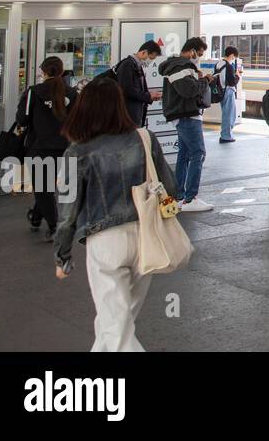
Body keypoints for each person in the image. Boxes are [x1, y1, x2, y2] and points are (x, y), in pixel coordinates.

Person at [54, 77, 178, 351]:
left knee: (116, 329)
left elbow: (66, 212)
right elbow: (171, 187)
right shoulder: (144, 138)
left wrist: (62, 255)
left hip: (106, 243)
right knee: (116, 323)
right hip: (146, 237)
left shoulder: (78, 151)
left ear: (84, 108)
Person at [18, 56, 74, 241]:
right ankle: (35, 217)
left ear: (43, 71)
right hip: (65, 146)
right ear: (61, 71)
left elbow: (22, 120)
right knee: (46, 187)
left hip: (39, 147)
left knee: (43, 188)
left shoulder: (34, 92)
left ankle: (54, 226)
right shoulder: (72, 93)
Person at [160, 37, 213, 213]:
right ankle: (191, 198)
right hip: (187, 115)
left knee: (184, 155)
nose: (198, 58)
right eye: (198, 54)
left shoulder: (176, 66)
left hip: (182, 114)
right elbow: (188, 90)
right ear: (192, 51)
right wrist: (204, 81)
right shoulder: (181, 66)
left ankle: (179, 195)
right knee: (198, 153)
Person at [115, 40, 160, 128]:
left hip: (136, 114)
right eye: (151, 58)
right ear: (144, 52)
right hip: (128, 115)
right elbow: (126, 90)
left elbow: (137, 89)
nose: (150, 61)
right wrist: (148, 96)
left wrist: (149, 95)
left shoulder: (137, 65)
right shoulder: (127, 65)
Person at [214, 45, 241, 143]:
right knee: (229, 115)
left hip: (220, 91)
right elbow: (232, 82)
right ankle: (226, 136)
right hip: (228, 91)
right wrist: (238, 76)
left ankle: (225, 134)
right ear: (232, 55)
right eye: (234, 57)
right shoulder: (228, 66)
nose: (234, 60)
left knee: (225, 114)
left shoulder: (218, 64)